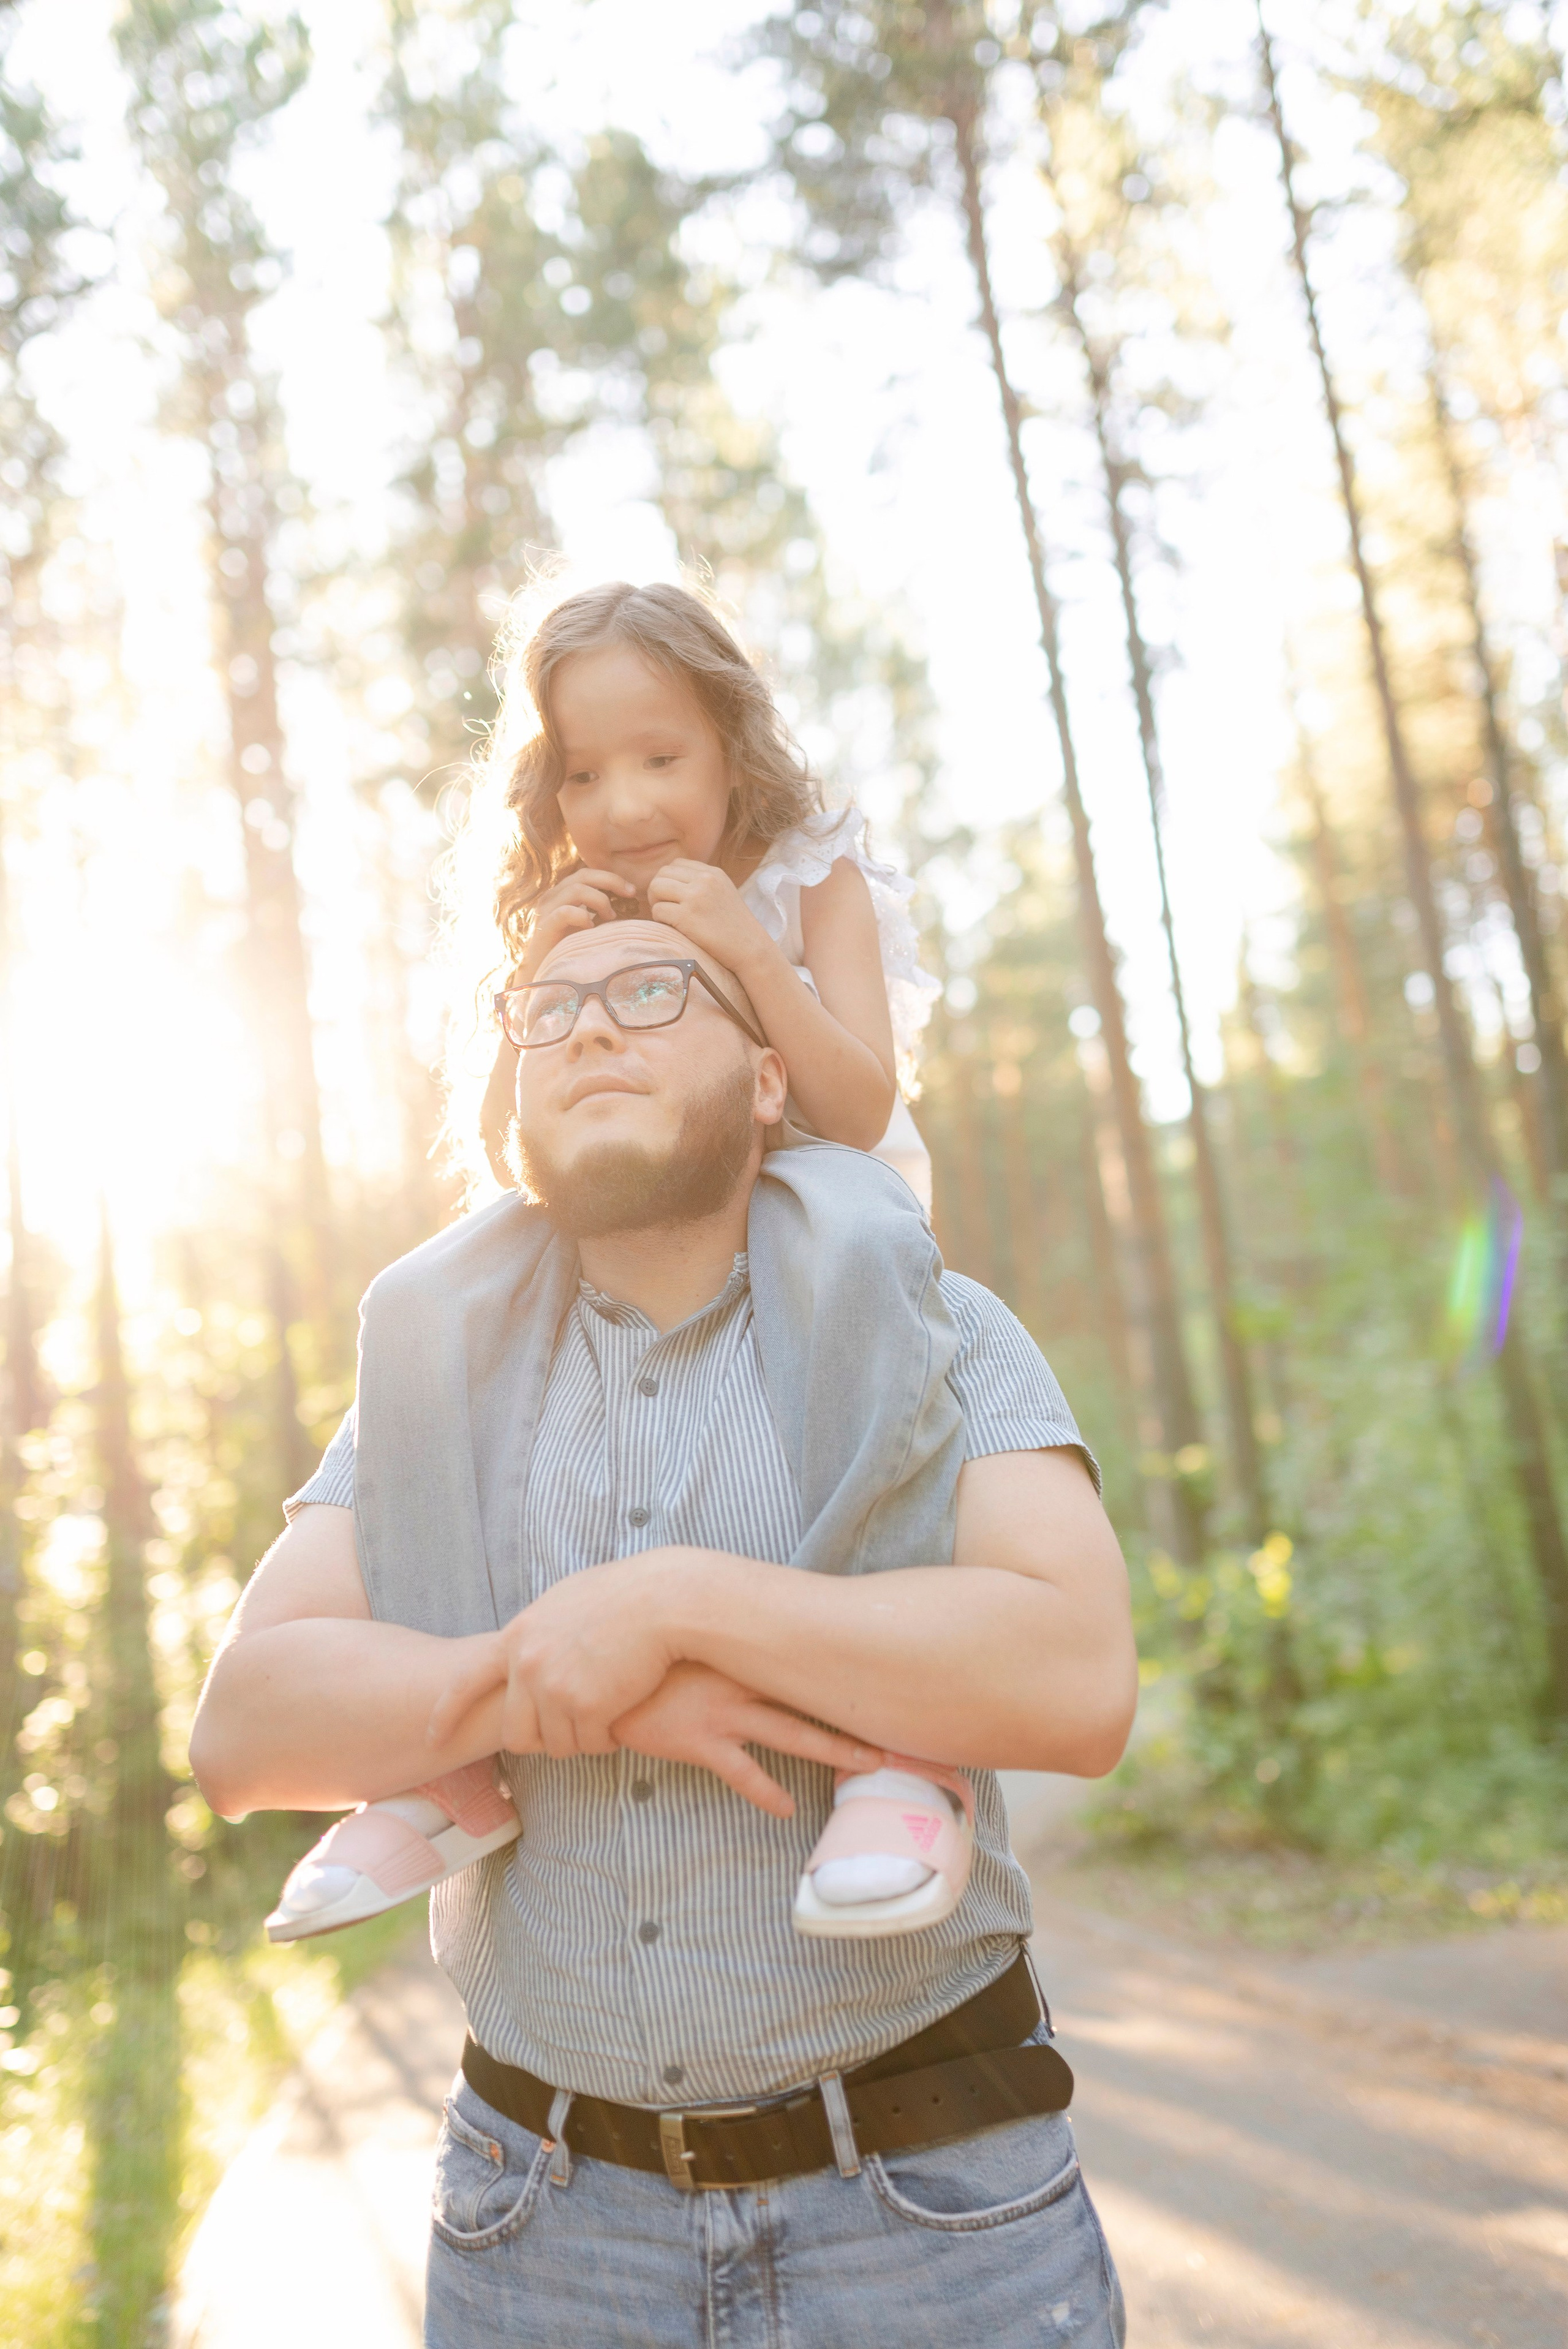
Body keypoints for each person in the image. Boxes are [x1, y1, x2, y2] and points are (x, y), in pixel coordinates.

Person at [190, 908, 1136, 2349]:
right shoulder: (427, 1390)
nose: (587, 1026)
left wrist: (673, 1600)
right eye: (547, 1006)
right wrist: (556, 1683)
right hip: (539, 2233)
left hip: (930, 2217)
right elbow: (246, 1729)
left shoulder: (937, 1324)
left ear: (767, 1079)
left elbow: (1073, 1680)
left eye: (649, 990)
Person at [262, 581, 967, 1947]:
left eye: (660, 757)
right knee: (419, 1296)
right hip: (626, 1198)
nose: (626, 801)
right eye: (584, 771)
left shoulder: (812, 865)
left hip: (812, 1183)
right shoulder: (559, 902)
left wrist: (743, 949)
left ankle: (896, 1753)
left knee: (874, 1239)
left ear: (731, 741)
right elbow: (502, 1145)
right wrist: (541, 956)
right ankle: (447, 1769)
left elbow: (862, 1105)